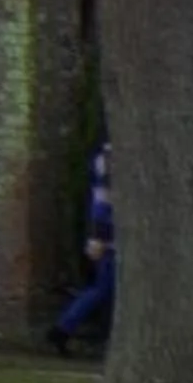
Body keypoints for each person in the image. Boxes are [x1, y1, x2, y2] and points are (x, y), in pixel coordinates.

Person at [50, 140, 115, 355]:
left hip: (108, 231)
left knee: (103, 288)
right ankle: (64, 328)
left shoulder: (105, 157)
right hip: (110, 234)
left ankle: (64, 328)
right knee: (103, 287)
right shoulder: (110, 158)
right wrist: (99, 235)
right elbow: (103, 199)